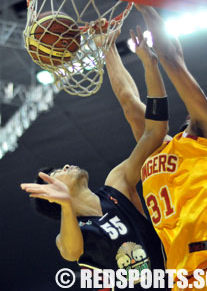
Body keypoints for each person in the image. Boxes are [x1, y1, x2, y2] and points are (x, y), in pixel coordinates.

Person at [21, 27, 169, 290]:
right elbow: (70, 251)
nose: (66, 165)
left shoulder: (117, 185)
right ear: (53, 197)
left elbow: (154, 130)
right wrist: (66, 205)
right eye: (58, 173)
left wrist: (109, 49)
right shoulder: (73, 234)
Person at [135, 5, 207, 290]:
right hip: (183, 278)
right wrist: (110, 52)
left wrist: (146, 5)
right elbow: (130, 105)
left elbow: (173, 60)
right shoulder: (162, 148)